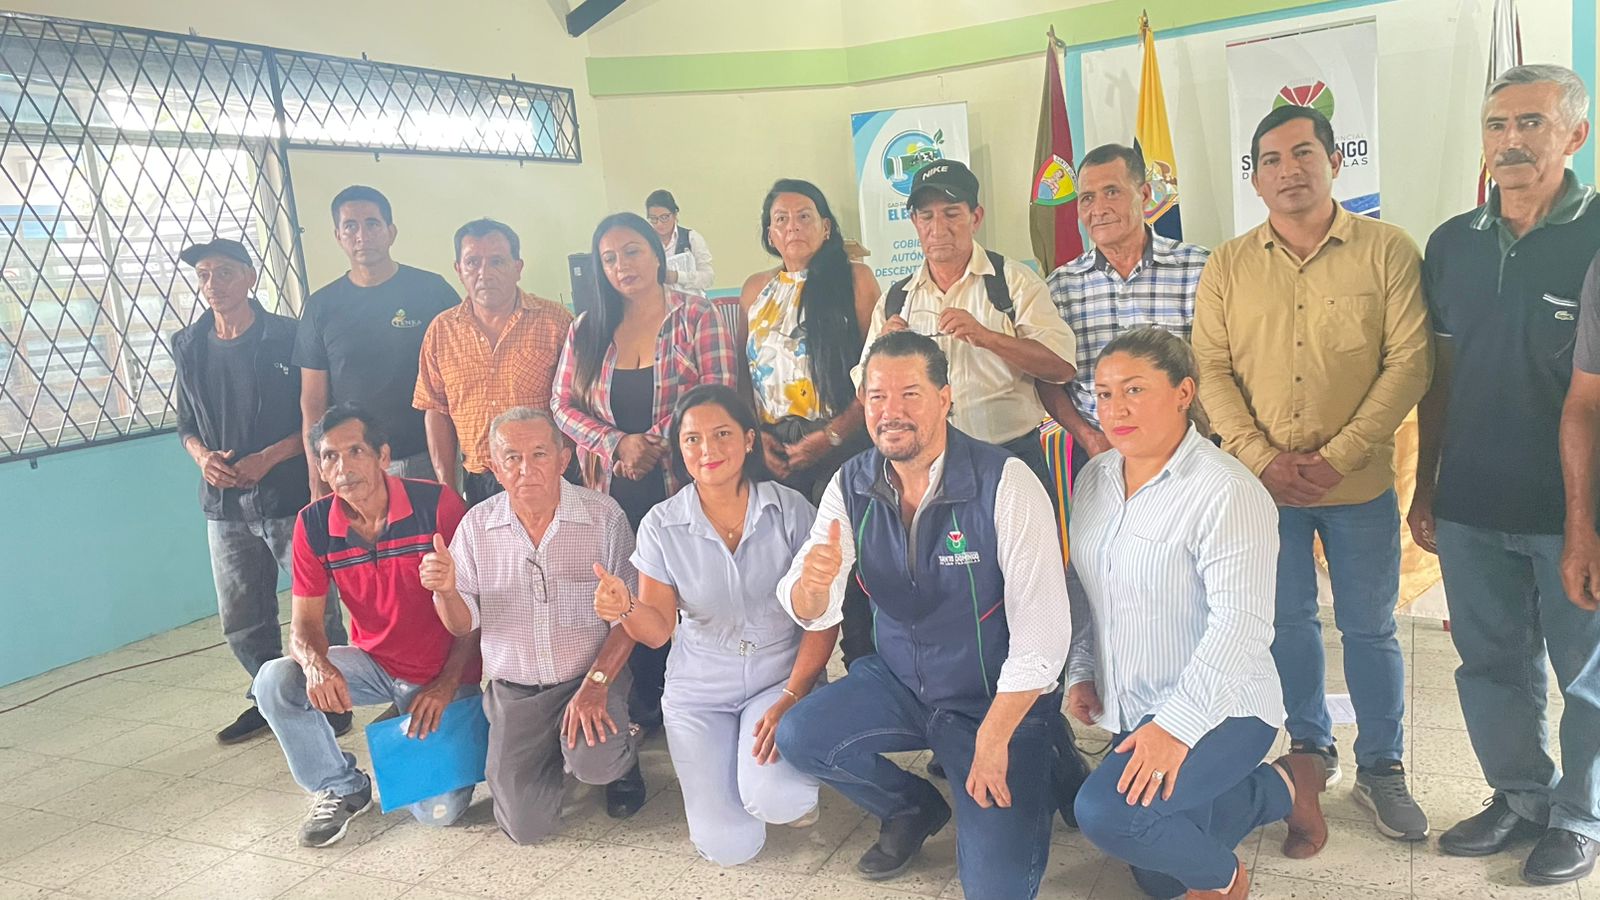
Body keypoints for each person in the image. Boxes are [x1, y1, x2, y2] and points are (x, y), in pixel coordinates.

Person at [1191, 104, 1434, 843]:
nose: (1288, 170)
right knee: (1286, 624)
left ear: (1334, 160)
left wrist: (1337, 457)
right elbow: (1210, 369)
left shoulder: (1387, 250)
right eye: (1271, 159)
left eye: (1303, 153)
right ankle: (1308, 751)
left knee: (1370, 628)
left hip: (1355, 486)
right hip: (1262, 491)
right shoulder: (1229, 265)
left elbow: (1410, 363)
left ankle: (1383, 767)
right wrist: (1261, 458)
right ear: (1256, 177)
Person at [774, 332, 1072, 900]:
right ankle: (912, 807)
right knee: (801, 735)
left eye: (910, 393)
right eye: (877, 397)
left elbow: (1044, 634)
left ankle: (1045, 749)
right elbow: (812, 601)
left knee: (998, 890)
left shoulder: (1004, 481)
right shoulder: (850, 482)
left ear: (945, 397)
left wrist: (995, 737)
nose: (892, 411)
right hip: (901, 683)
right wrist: (810, 588)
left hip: (991, 698)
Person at [1415, 64, 1600, 885]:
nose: (1511, 140)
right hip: (1471, 503)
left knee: (1586, 676)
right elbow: (1440, 378)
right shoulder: (1452, 242)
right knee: (1489, 664)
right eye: (1497, 125)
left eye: (1531, 123)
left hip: (1576, 511)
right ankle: (1521, 797)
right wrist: (1426, 487)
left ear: (1575, 136)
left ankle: (1581, 816)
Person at [1068, 327, 1329, 900]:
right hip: (1136, 702)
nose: (1116, 408)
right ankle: (1285, 787)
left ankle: (1226, 882)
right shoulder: (1094, 479)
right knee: (1158, 874)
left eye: (1135, 389)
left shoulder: (1225, 490)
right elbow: (1086, 588)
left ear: (1184, 392)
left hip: (1223, 709)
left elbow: (1242, 626)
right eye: (1104, 393)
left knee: (1110, 814)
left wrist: (1175, 728)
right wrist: (1083, 669)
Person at [594, 384, 831, 864]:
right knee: (728, 847)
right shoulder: (661, 524)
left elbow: (822, 619)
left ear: (748, 439)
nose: (708, 449)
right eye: (692, 439)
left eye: (722, 434)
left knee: (779, 798)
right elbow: (657, 630)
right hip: (700, 690)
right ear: (680, 451)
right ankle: (741, 782)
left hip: (778, 678)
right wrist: (626, 608)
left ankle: (776, 786)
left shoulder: (791, 511)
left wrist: (793, 695)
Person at [254, 404, 482, 848]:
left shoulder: (438, 505)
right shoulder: (313, 523)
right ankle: (340, 786)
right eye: (329, 456)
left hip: (442, 674)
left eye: (355, 451)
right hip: (374, 664)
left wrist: (447, 685)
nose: (343, 467)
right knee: (276, 680)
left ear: (383, 456)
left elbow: (478, 611)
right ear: (321, 468)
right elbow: (304, 625)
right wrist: (316, 665)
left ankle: (410, 717)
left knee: (439, 813)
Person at [551, 211, 740, 732]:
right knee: (626, 590)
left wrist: (651, 443)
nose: (622, 266)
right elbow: (561, 405)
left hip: (683, 482)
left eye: (632, 251)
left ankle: (697, 697)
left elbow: (718, 393)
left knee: (689, 591)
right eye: (609, 258)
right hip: (611, 487)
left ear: (656, 254)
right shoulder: (587, 328)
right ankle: (642, 702)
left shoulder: (697, 317)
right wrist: (618, 444)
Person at [423, 407, 646, 838]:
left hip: (588, 677)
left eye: (539, 454)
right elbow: (462, 626)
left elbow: (629, 618)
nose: (526, 469)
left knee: (596, 760)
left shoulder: (604, 516)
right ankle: (554, 750)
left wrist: (597, 684)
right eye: (512, 457)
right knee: (525, 828)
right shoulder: (476, 526)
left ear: (563, 460)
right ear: (494, 466)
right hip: (517, 690)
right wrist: (447, 592)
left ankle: (619, 752)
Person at [171, 237, 348, 744]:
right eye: (204, 275)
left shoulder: (288, 338)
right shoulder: (189, 344)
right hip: (223, 504)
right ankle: (268, 697)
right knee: (242, 616)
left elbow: (320, 416)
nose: (213, 284)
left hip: (288, 495)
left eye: (225, 272)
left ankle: (333, 698)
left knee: (317, 606)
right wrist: (203, 458)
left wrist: (267, 458)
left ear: (250, 278)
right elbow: (185, 424)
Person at [858, 159, 1078, 490]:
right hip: (928, 469)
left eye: (951, 214)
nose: (937, 228)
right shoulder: (895, 300)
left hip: (1011, 456)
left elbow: (1061, 367)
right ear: (914, 221)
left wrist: (987, 337)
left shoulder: (1013, 282)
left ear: (975, 217)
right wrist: (882, 354)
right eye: (926, 216)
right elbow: (865, 394)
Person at [741, 178, 878, 664]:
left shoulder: (855, 279)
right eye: (780, 219)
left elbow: (875, 369)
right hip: (775, 447)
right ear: (769, 233)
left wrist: (834, 434)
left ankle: (863, 664)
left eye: (804, 216)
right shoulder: (755, 289)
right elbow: (743, 373)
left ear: (826, 227)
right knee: (790, 562)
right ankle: (795, 674)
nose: (792, 226)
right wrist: (758, 440)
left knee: (849, 560)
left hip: (844, 435)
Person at [1042, 143, 1210, 474]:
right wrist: (1088, 438)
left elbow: (1221, 364)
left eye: (1112, 192)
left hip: (1188, 452)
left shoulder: (1198, 269)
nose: (1098, 209)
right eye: (1087, 198)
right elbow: (1048, 379)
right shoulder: (1060, 286)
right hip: (1098, 452)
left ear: (1144, 194)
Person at [296, 185, 460, 496]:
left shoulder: (432, 291)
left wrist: (450, 473)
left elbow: (461, 376)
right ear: (338, 236)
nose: (362, 235)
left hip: (428, 457)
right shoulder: (321, 307)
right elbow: (313, 402)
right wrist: (318, 481)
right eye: (350, 226)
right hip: (354, 465)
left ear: (390, 232)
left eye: (372, 224)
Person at [414, 218, 574, 506]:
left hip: (547, 475)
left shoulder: (556, 322)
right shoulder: (441, 331)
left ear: (518, 267)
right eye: (472, 262)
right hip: (480, 481)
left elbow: (579, 402)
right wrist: (447, 487)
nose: (484, 273)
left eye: (497, 261)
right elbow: (436, 409)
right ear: (458, 270)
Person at [646, 189, 715, 296]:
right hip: (659, 301)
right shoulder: (646, 243)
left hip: (692, 301)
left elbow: (708, 277)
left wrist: (678, 277)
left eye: (664, 217)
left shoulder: (691, 238)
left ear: (674, 214)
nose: (659, 224)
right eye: (653, 219)